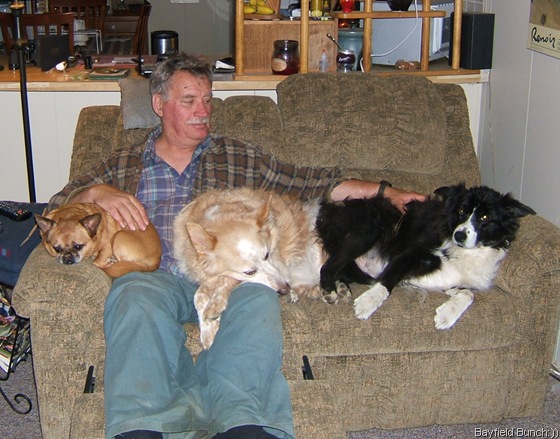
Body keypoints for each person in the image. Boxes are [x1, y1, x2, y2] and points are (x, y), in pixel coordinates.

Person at [49, 53, 425, 439]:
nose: (203, 111)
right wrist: (95, 192)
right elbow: (56, 207)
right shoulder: (124, 163)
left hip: (232, 277)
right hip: (155, 277)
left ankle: (243, 422)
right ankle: (143, 426)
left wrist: (385, 191)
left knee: (260, 297)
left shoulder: (236, 154)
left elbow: (312, 181)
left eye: (207, 100)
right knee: (132, 297)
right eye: (189, 101)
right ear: (159, 104)